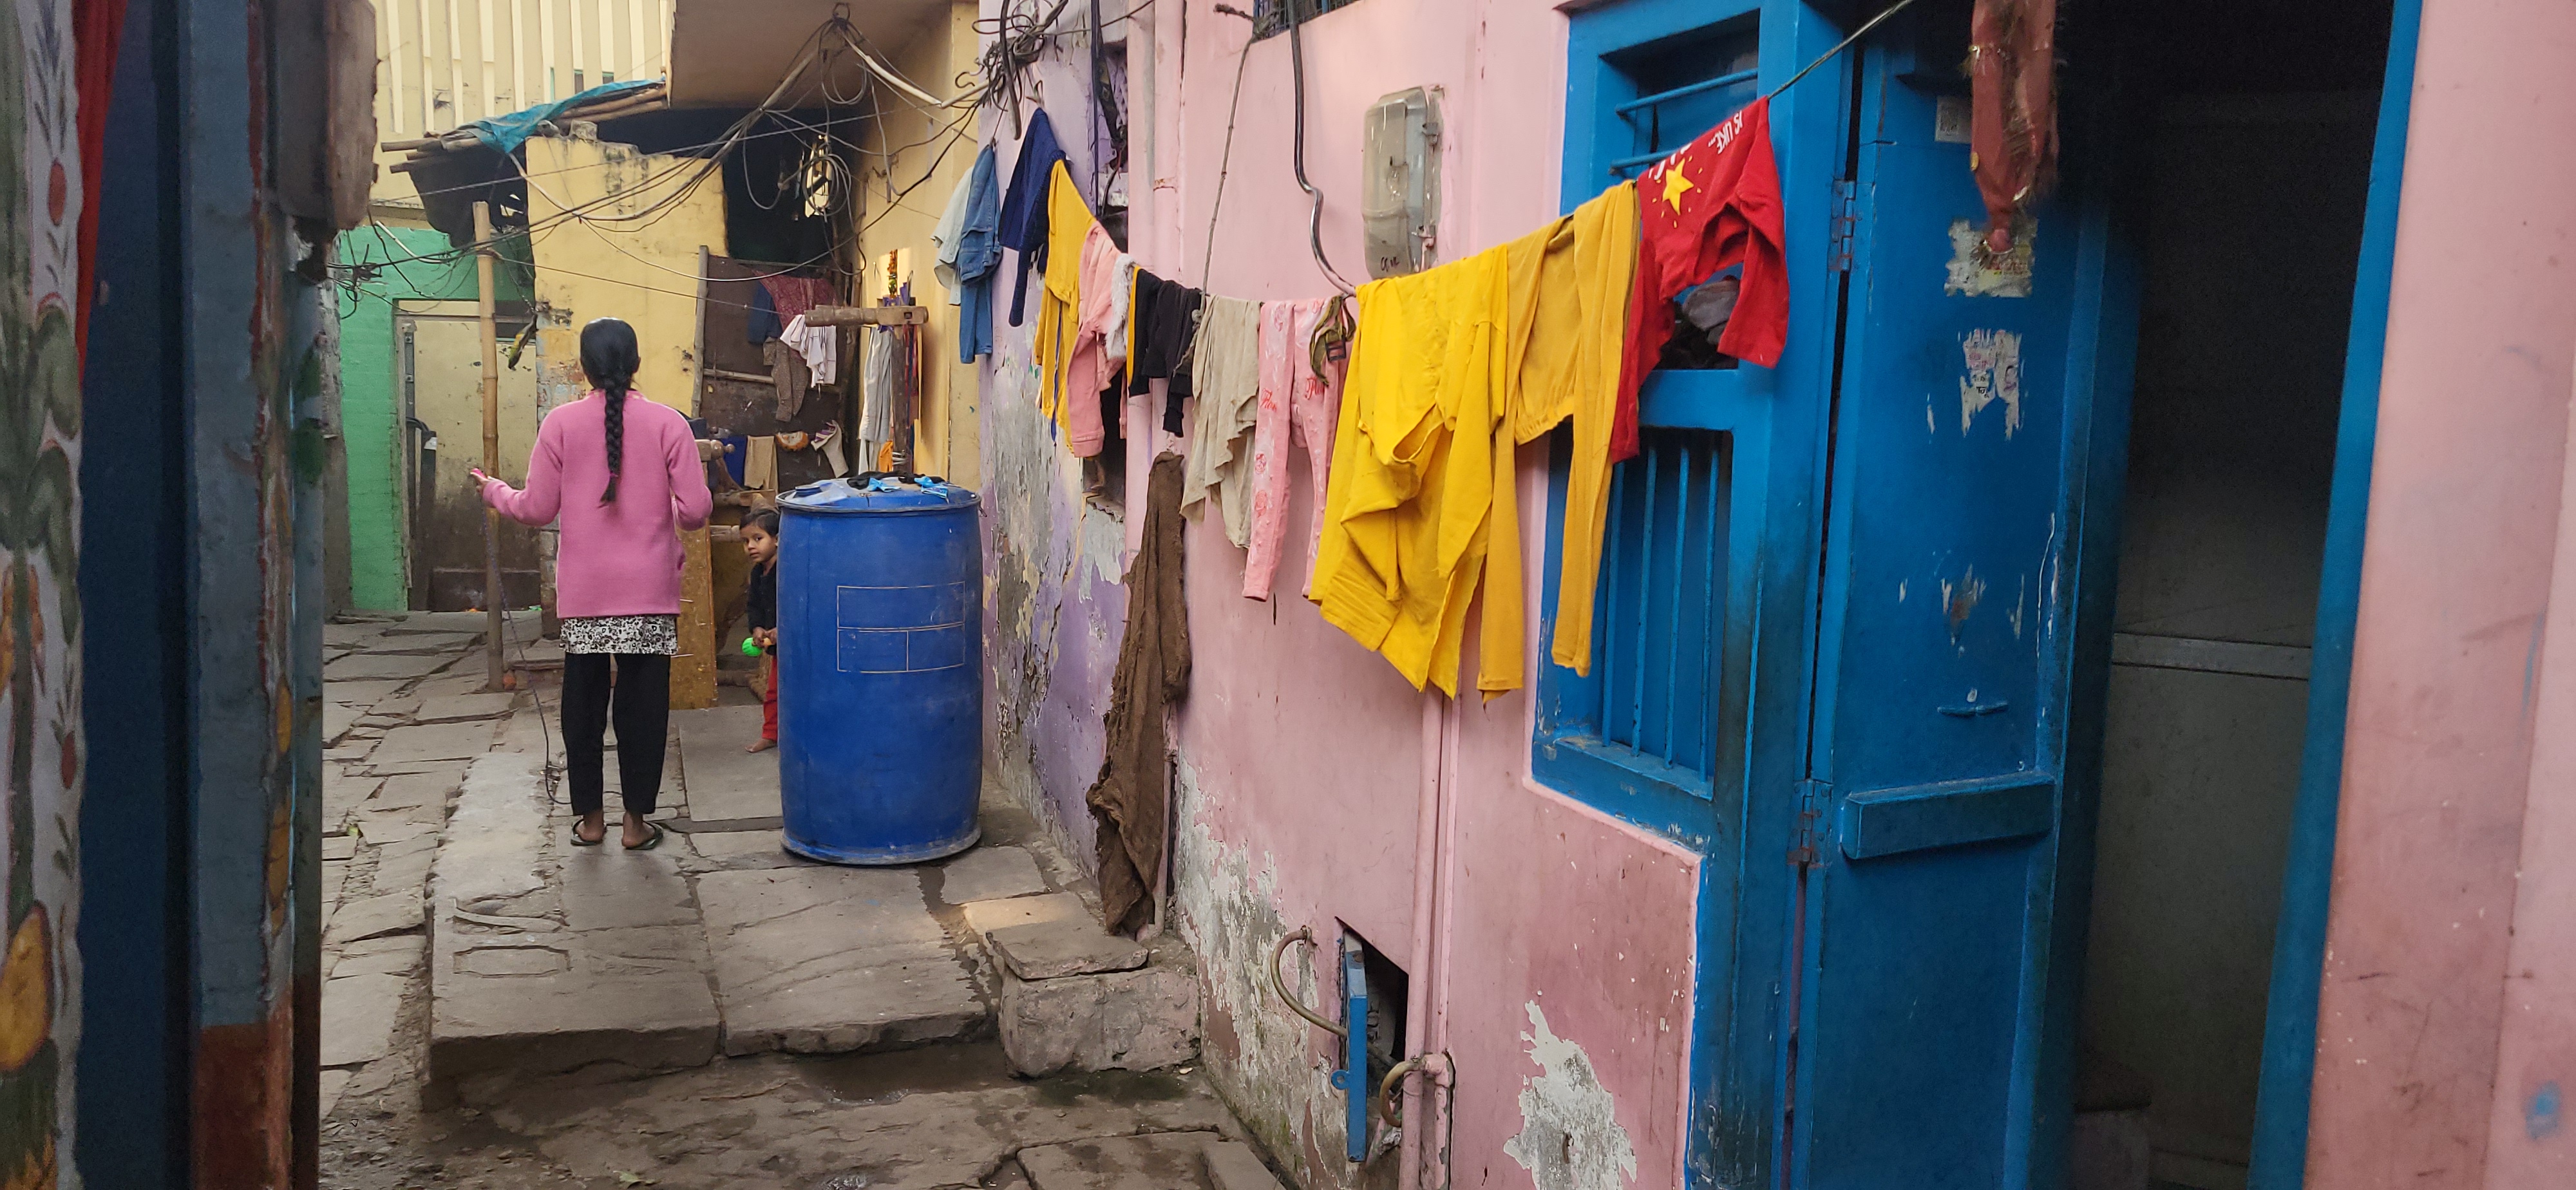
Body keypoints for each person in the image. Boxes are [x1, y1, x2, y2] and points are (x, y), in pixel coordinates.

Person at [473, 317, 712, 849]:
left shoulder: (559, 424)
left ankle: (590, 821)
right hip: (649, 595)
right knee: (642, 710)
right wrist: (660, 508)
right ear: (637, 365)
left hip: (585, 598)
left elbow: (535, 509)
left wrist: (494, 492)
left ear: (584, 369)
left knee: (582, 708)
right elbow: (696, 512)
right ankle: (635, 826)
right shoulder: (668, 424)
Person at [742, 507, 781, 753]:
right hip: (777, 647)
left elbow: (798, 603)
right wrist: (757, 628)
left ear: (777, 539)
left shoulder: (789, 570)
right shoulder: (758, 573)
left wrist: (784, 628)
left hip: (799, 644)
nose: (750, 546)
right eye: (746, 541)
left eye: (758, 539)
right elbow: (754, 604)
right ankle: (771, 734)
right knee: (773, 692)